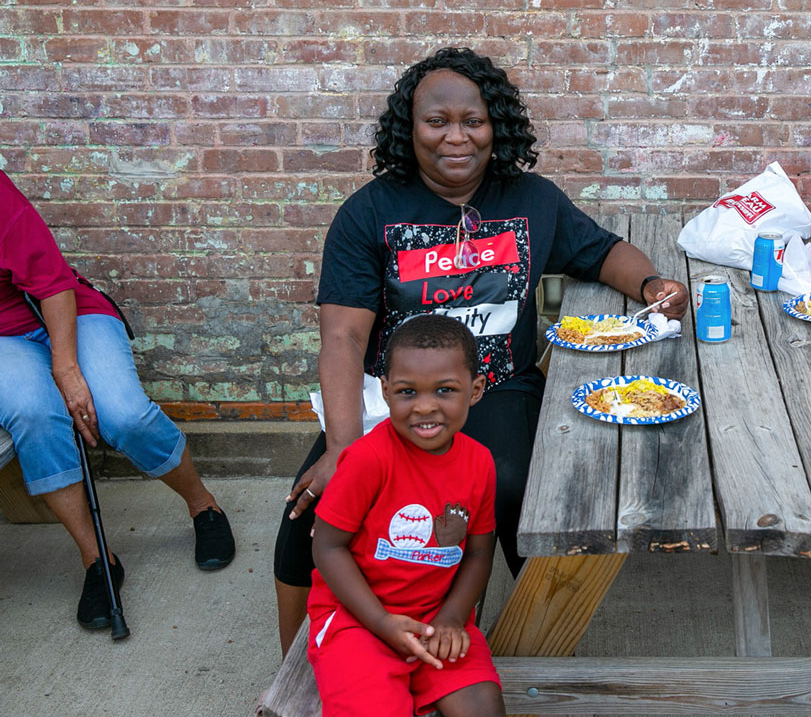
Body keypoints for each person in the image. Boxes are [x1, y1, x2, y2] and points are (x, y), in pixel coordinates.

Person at [273, 46, 688, 655]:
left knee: (517, 489)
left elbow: (599, 252)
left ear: (497, 125)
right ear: (408, 129)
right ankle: (297, 671)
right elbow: (344, 336)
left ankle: (535, 647)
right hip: (399, 398)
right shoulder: (369, 214)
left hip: (496, 385)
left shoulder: (531, 199)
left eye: (473, 120)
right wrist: (341, 446)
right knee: (309, 513)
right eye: (436, 122)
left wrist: (651, 284)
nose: (456, 137)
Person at [0, 170, 236, 632]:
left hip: (64, 309)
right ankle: (98, 560)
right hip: (4, 341)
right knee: (34, 416)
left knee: (123, 415)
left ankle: (203, 506)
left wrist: (66, 370)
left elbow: (50, 282)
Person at [308, 314, 505, 717]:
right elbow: (327, 547)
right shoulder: (367, 460)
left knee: (482, 706)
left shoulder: (480, 463)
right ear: (385, 391)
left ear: (476, 389)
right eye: (407, 392)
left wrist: (452, 618)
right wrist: (381, 623)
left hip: (437, 615)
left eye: (445, 390)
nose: (425, 407)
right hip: (357, 619)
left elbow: (480, 553)